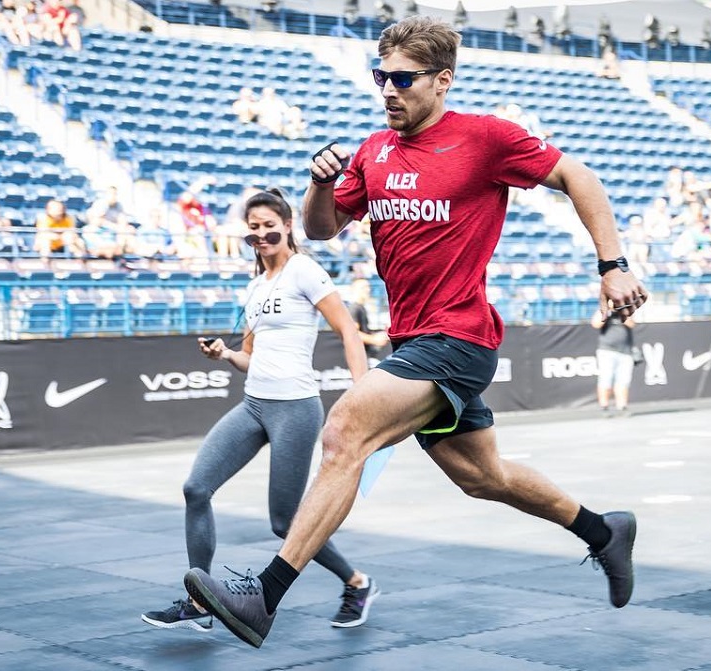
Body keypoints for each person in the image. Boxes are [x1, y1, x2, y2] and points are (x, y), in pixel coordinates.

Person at [185, 16, 647, 649]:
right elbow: (320, 230)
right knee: (484, 478)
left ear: (441, 81)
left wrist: (612, 264)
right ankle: (603, 531)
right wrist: (319, 183)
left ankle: (263, 595)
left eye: (402, 79)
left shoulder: (486, 139)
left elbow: (579, 177)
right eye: (381, 77)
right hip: (412, 341)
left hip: (457, 340)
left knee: (345, 431)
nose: (388, 90)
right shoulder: (374, 151)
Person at [141, 188, 378, 632]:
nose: (262, 233)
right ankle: (200, 601)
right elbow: (251, 355)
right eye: (253, 227)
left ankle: (357, 582)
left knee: (285, 522)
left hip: (295, 408)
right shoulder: (255, 286)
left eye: (270, 224)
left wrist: (362, 391)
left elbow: (348, 330)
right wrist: (225, 355)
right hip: (254, 405)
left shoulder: (304, 270)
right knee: (196, 489)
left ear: (287, 225)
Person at [591, 309, 636, 415]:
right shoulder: (603, 310)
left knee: (623, 380)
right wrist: (607, 311)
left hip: (625, 351)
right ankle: (604, 406)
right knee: (606, 378)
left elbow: (631, 323)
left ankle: (622, 406)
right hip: (607, 350)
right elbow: (596, 324)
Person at [348, 277, 388, 360]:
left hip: (365, 355)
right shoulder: (354, 309)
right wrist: (374, 339)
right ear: (354, 289)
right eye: (363, 287)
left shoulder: (360, 308)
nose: (368, 290)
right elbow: (353, 334)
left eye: (368, 287)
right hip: (359, 356)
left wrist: (375, 336)